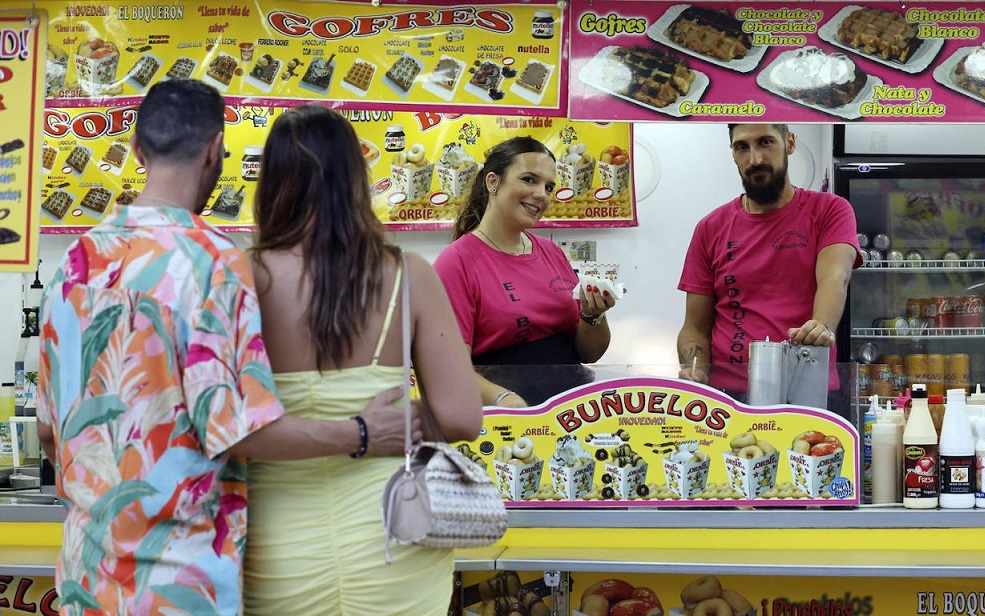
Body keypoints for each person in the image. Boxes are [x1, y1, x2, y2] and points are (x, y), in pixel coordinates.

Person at [35, 81, 414, 615]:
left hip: (85, 576)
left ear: (139, 151)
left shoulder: (75, 262)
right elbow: (240, 427)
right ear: (215, 149)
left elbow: (49, 430)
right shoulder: (215, 259)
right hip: (181, 581)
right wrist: (362, 433)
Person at [243, 105, 482, 615]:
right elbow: (462, 417)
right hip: (397, 532)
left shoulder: (242, 278)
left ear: (272, 182)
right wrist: (388, 424)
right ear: (357, 178)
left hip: (276, 541)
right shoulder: (407, 273)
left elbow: (221, 422)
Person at [677, 123, 862, 402]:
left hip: (808, 389)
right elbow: (694, 327)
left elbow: (835, 276)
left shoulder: (829, 210)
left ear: (789, 143)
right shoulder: (710, 228)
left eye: (766, 142)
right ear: (733, 153)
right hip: (729, 397)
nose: (755, 159)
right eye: (742, 147)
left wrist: (820, 326)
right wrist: (695, 368)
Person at [434, 136, 616, 408]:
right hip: (504, 416)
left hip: (570, 410)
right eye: (529, 179)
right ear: (493, 182)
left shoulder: (552, 253)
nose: (542, 194)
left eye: (549, 186)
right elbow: (447, 368)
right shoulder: (457, 261)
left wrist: (593, 314)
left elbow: (589, 354)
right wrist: (506, 400)